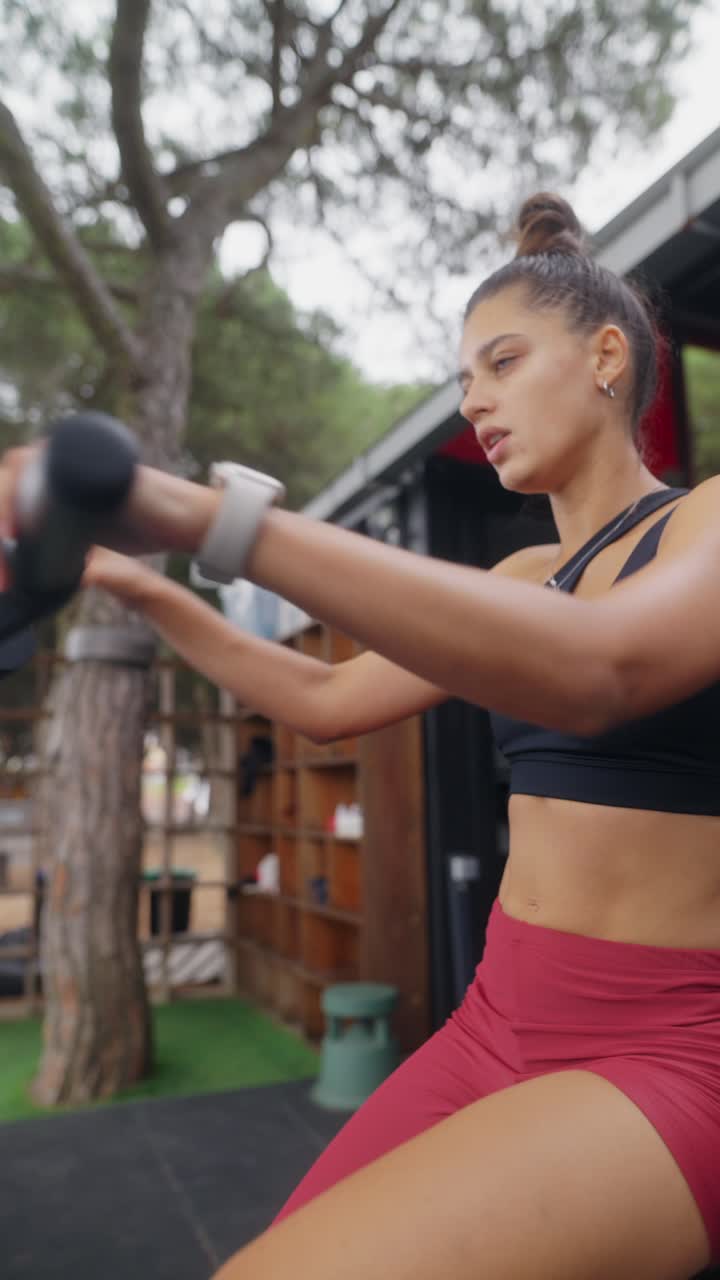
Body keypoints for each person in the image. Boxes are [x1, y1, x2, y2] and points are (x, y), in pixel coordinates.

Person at [2, 192, 720, 1280]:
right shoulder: (525, 576)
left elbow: (600, 668)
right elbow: (321, 700)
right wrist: (128, 581)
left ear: (608, 355)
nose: (473, 399)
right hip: (496, 1012)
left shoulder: (707, 523)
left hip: (666, 1043)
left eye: (503, 361)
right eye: (466, 375)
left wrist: (200, 514)